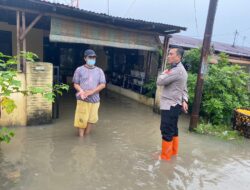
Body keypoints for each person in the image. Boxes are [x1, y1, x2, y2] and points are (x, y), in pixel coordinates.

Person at [156, 47, 188, 161]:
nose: (168, 56)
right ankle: (173, 153)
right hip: (175, 105)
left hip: (170, 105)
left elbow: (159, 81)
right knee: (173, 129)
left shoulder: (176, 71)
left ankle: (165, 159)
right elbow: (184, 88)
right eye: (168, 54)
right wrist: (185, 100)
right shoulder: (181, 70)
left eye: (171, 54)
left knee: (166, 130)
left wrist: (164, 72)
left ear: (178, 57)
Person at [72, 49, 106, 137]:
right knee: (81, 120)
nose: (92, 59)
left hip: (95, 100)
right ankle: (81, 139)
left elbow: (103, 84)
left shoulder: (99, 71)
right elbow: (75, 84)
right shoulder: (79, 70)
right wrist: (81, 91)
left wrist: (91, 92)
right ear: (85, 58)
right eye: (90, 57)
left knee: (91, 120)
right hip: (83, 99)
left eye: (94, 57)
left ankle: (86, 136)